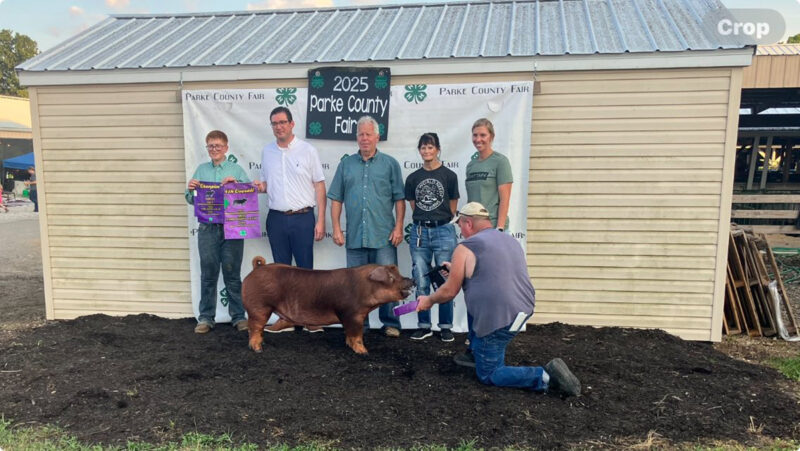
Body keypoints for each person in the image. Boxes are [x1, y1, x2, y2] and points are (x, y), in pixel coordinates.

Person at [416, 202, 581, 396]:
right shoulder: (508, 240)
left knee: (489, 373)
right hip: (522, 311)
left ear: (468, 223)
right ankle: (477, 352)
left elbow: (449, 292)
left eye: (459, 224)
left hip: (498, 320)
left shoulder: (465, 248)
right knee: (478, 314)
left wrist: (428, 300)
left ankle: (545, 376)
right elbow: (492, 275)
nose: (459, 229)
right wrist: (456, 270)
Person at [328, 116, 405, 337]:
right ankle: (360, 324)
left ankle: (391, 323)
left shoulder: (390, 164)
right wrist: (335, 227)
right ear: (357, 137)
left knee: (389, 282)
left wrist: (399, 226)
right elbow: (336, 199)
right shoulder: (346, 164)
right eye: (361, 134)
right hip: (355, 237)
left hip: (383, 235)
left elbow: (399, 198)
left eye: (368, 134)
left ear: (377, 137)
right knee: (355, 285)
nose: (364, 138)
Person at [256, 106, 326, 334]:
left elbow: (319, 185)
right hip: (276, 218)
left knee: (306, 273)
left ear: (292, 123)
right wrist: (257, 187)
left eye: (282, 122)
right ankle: (285, 318)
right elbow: (265, 185)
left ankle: (311, 318)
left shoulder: (308, 150)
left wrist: (321, 220)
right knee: (280, 273)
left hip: (303, 217)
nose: (279, 127)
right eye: (274, 123)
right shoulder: (267, 151)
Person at [185, 130, 250, 334]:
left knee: (232, 274)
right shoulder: (201, 170)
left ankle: (239, 317)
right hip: (207, 228)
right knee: (208, 274)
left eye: (218, 146)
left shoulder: (236, 170)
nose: (214, 149)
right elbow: (191, 198)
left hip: (232, 227)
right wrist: (191, 189)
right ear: (207, 148)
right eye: (210, 146)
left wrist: (236, 186)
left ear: (226, 148)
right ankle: (206, 317)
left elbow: (248, 197)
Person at [404, 132, 459, 342]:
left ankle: (445, 326)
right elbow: (414, 206)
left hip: (443, 229)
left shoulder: (449, 176)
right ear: (419, 150)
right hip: (419, 231)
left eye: (430, 147)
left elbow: (452, 206)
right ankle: (424, 324)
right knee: (421, 277)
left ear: (437, 149)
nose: (427, 151)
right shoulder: (412, 178)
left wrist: (439, 220)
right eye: (423, 148)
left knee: (446, 277)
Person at [465, 118, 512, 231]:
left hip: (493, 227)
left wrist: (499, 228)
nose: (478, 139)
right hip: (475, 228)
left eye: (483, 135)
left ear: (491, 137)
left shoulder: (500, 161)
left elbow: (505, 200)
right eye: (475, 135)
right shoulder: (470, 165)